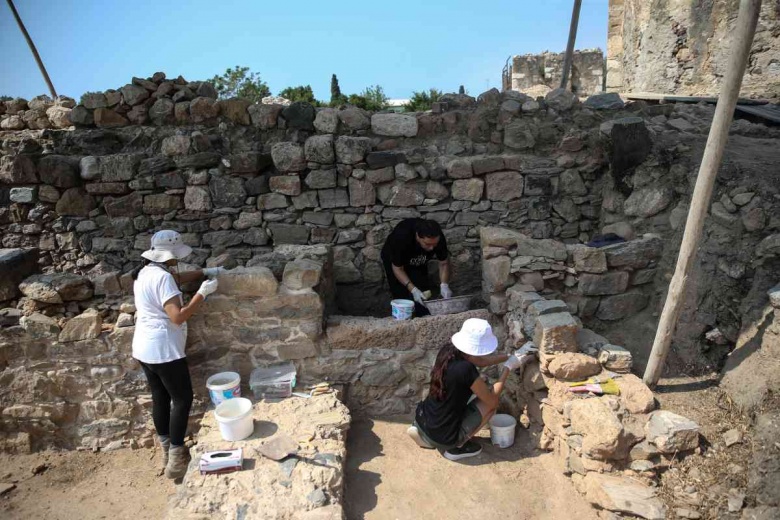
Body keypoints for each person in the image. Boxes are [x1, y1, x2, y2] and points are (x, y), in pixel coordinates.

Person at [132, 230, 224, 479]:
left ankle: (164, 450)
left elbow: (177, 278)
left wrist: (204, 273)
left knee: (159, 397)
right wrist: (202, 294)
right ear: (169, 255)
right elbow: (177, 316)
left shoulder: (144, 272)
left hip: (143, 347)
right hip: (163, 349)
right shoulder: (163, 279)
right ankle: (176, 457)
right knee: (182, 399)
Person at [406, 318, 537, 461]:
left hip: (423, 418)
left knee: (452, 406)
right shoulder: (465, 369)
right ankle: (455, 448)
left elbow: (479, 361)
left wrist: (510, 356)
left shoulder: (448, 351)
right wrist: (508, 368)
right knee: (490, 406)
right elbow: (492, 400)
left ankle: (425, 436)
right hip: (444, 436)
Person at [381, 218, 452, 316]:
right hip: (395, 260)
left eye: (434, 245)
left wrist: (444, 285)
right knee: (401, 293)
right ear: (418, 236)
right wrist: (413, 289)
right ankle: (404, 319)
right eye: (428, 244)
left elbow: (443, 263)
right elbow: (398, 268)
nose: (432, 248)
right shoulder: (402, 237)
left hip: (419, 259)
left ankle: (423, 316)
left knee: (423, 290)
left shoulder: (437, 238)